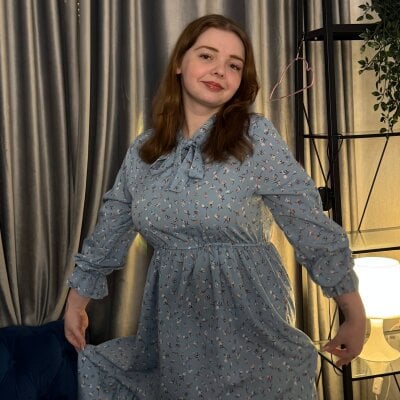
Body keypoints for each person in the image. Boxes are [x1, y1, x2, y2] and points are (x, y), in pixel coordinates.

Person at [64, 14, 366, 400]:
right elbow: (112, 225)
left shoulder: (255, 137)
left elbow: (308, 224)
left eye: (234, 65)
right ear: (179, 63)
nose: (220, 71)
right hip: (177, 329)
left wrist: (352, 310)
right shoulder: (145, 150)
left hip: (255, 319)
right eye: (207, 56)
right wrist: (77, 301)